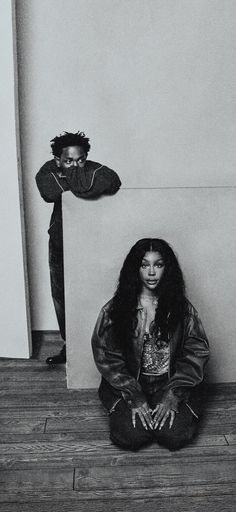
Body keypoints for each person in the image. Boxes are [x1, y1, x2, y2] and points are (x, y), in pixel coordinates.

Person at [92, 238, 209, 451]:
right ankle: (143, 415)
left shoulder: (183, 310)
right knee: (131, 437)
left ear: (167, 268)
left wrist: (174, 393)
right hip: (133, 386)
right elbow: (106, 356)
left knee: (174, 437)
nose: (152, 272)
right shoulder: (114, 310)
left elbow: (196, 352)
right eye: (145, 265)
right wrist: (134, 395)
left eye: (159, 264)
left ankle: (167, 413)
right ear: (135, 269)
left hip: (170, 384)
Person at [36, 131, 121, 365]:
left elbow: (113, 181)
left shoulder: (97, 169)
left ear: (87, 156)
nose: (76, 164)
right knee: (62, 296)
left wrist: (70, 178)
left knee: (97, 293)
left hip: (92, 241)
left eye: (81, 160)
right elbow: (50, 191)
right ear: (57, 160)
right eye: (68, 161)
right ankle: (71, 348)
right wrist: (81, 179)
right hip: (60, 242)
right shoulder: (47, 170)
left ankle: (103, 348)